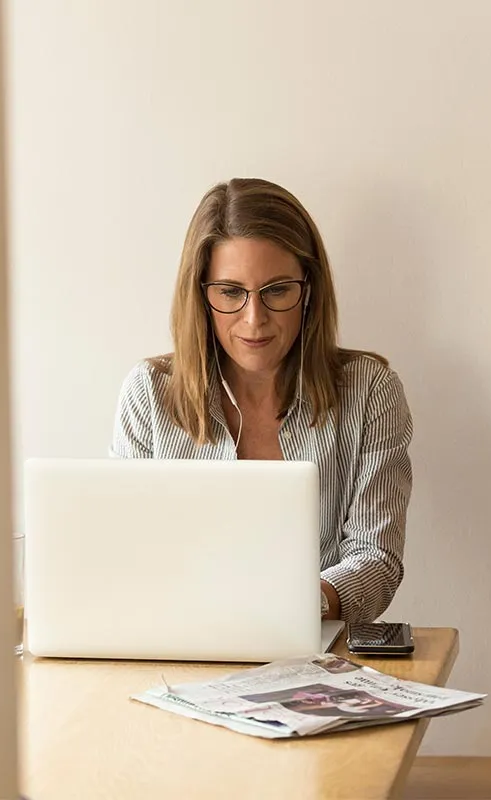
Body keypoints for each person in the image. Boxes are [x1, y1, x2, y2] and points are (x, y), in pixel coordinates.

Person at [111, 177, 413, 622]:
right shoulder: (148, 394)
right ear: (201, 295)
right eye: (231, 292)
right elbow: (127, 557)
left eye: (277, 291)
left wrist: (296, 608)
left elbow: (376, 559)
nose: (255, 320)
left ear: (308, 290)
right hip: (177, 649)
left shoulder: (369, 391)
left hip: (316, 658)